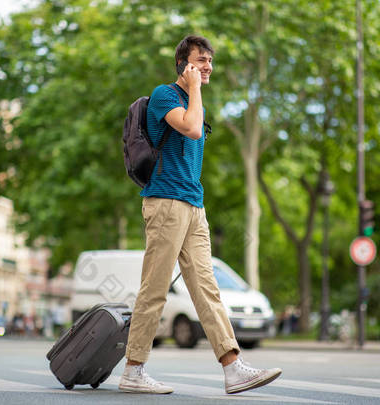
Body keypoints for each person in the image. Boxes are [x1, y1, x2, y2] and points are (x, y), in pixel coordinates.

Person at [118, 35, 282, 395]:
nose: (207, 67)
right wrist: (193, 87)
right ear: (183, 64)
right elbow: (191, 127)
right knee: (155, 290)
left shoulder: (194, 100)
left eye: (210, 61)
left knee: (208, 290)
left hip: (193, 205)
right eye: (200, 60)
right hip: (165, 203)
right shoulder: (165, 94)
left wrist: (196, 91)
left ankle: (233, 367)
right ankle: (133, 369)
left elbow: (194, 130)